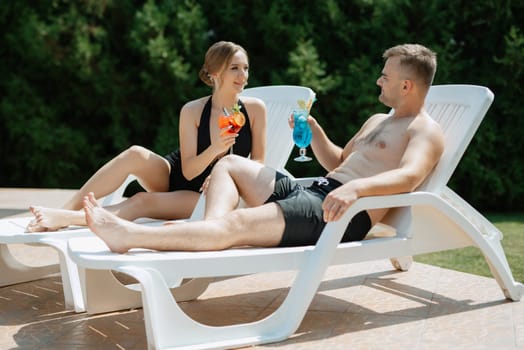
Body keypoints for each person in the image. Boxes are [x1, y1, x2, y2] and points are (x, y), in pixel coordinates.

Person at [82, 43, 445, 253]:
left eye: (386, 76)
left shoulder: (425, 131)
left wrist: (354, 189)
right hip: (317, 192)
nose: (379, 80)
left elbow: (410, 176)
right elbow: (337, 161)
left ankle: (130, 236)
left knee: (237, 222)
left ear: (408, 86)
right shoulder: (377, 120)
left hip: (338, 214)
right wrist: (316, 131)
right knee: (229, 164)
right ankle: (208, 235)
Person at [26, 41, 267, 232]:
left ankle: (68, 218)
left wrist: (222, 172)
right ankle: (63, 210)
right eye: (234, 68)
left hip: (206, 194)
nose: (243, 75)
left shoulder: (255, 109)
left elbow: (258, 164)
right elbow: (189, 170)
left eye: (245, 68)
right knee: (135, 154)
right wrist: (215, 149)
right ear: (215, 73)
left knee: (142, 201)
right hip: (179, 173)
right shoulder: (193, 110)